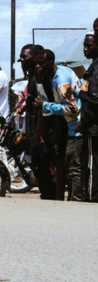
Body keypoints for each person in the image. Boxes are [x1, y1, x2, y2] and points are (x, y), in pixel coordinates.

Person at [35, 49, 84, 201]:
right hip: (76, 125)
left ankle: (78, 201)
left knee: (75, 168)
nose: (38, 67)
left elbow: (72, 108)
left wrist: (46, 105)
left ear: (50, 62)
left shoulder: (60, 80)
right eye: (36, 64)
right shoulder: (62, 71)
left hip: (76, 128)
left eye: (41, 63)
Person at [18, 44, 56, 200]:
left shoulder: (44, 78)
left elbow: (45, 105)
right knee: (37, 163)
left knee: (45, 164)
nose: (22, 60)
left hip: (45, 130)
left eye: (25, 56)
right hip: (35, 129)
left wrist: (40, 132)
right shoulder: (33, 78)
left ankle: (51, 195)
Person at [76, 32, 98, 201]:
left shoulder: (95, 68)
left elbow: (93, 98)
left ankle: (91, 199)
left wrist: (83, 122)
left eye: (89, 46)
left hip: (93, 128)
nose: (85, 49)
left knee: (92, 166)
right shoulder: (91, 68)